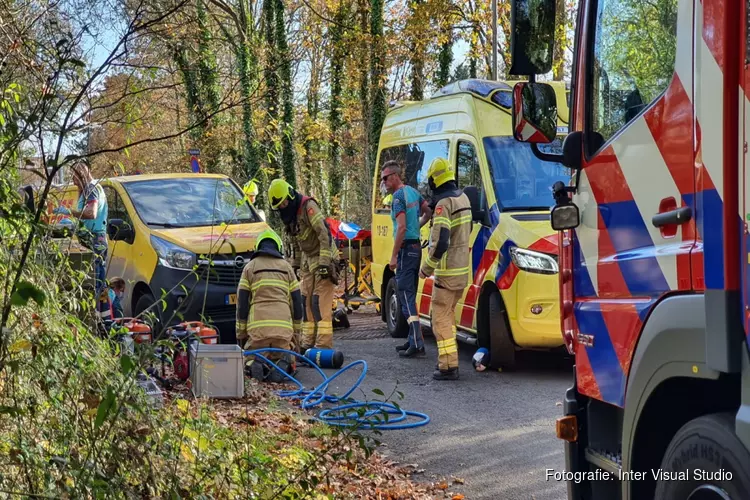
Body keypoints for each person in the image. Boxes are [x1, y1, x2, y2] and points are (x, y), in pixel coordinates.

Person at [267, 178, 339, 350]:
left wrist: (324, 263)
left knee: (319, 302)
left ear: (290, 196)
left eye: (284, 204)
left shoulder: (308, 207)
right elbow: (297, 242)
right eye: (279, 207)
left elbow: (324, 234)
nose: (283, 208)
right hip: (308, 261)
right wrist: (296, 265)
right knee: (305, 300)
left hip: (324, 257)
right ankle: (308, 343)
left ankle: (323, 345)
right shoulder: (291, 216)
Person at [419, 157, 471, 380]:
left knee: (439, 319)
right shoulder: (463, 198)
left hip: (447, 273)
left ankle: (448, 366)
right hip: (462, 272)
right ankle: (452, 362)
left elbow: (441, 242)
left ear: (434, 179)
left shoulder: (443, 205)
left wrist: (426, 269)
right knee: (449, 317)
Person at [236, 228, 303, 382]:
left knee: (252, 356)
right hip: (283, 330)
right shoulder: (287, 268)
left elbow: (242, 303)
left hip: (258, 330)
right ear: (278, 248)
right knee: (284, 352)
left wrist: (240, 334)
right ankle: (284, 363)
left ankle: (255, 363)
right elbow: (297, 303)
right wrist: (297, 334)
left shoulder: (250, 267)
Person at [380, 160, 432, 358]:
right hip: (415, 247)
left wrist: (393, 255)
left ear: (394, 176)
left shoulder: (398, 197)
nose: (384, 182)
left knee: (406, 295)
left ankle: (417, 343)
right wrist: (417, 227)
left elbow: (401, 227)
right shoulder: (412, 192)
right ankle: (412, 339)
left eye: (385, 178)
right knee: (409, 294)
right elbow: (427, 212)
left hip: (405, 250)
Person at [54, 164, 109, 298]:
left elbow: (91, 213)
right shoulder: (93, 187)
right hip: (96, 237)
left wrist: (69, 212)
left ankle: (97, 314)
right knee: (99, 281)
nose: (73, 181)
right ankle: (103, 314)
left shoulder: (91, 188)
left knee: (93, 281)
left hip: (94, 239)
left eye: (75, 178)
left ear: (81, 175)